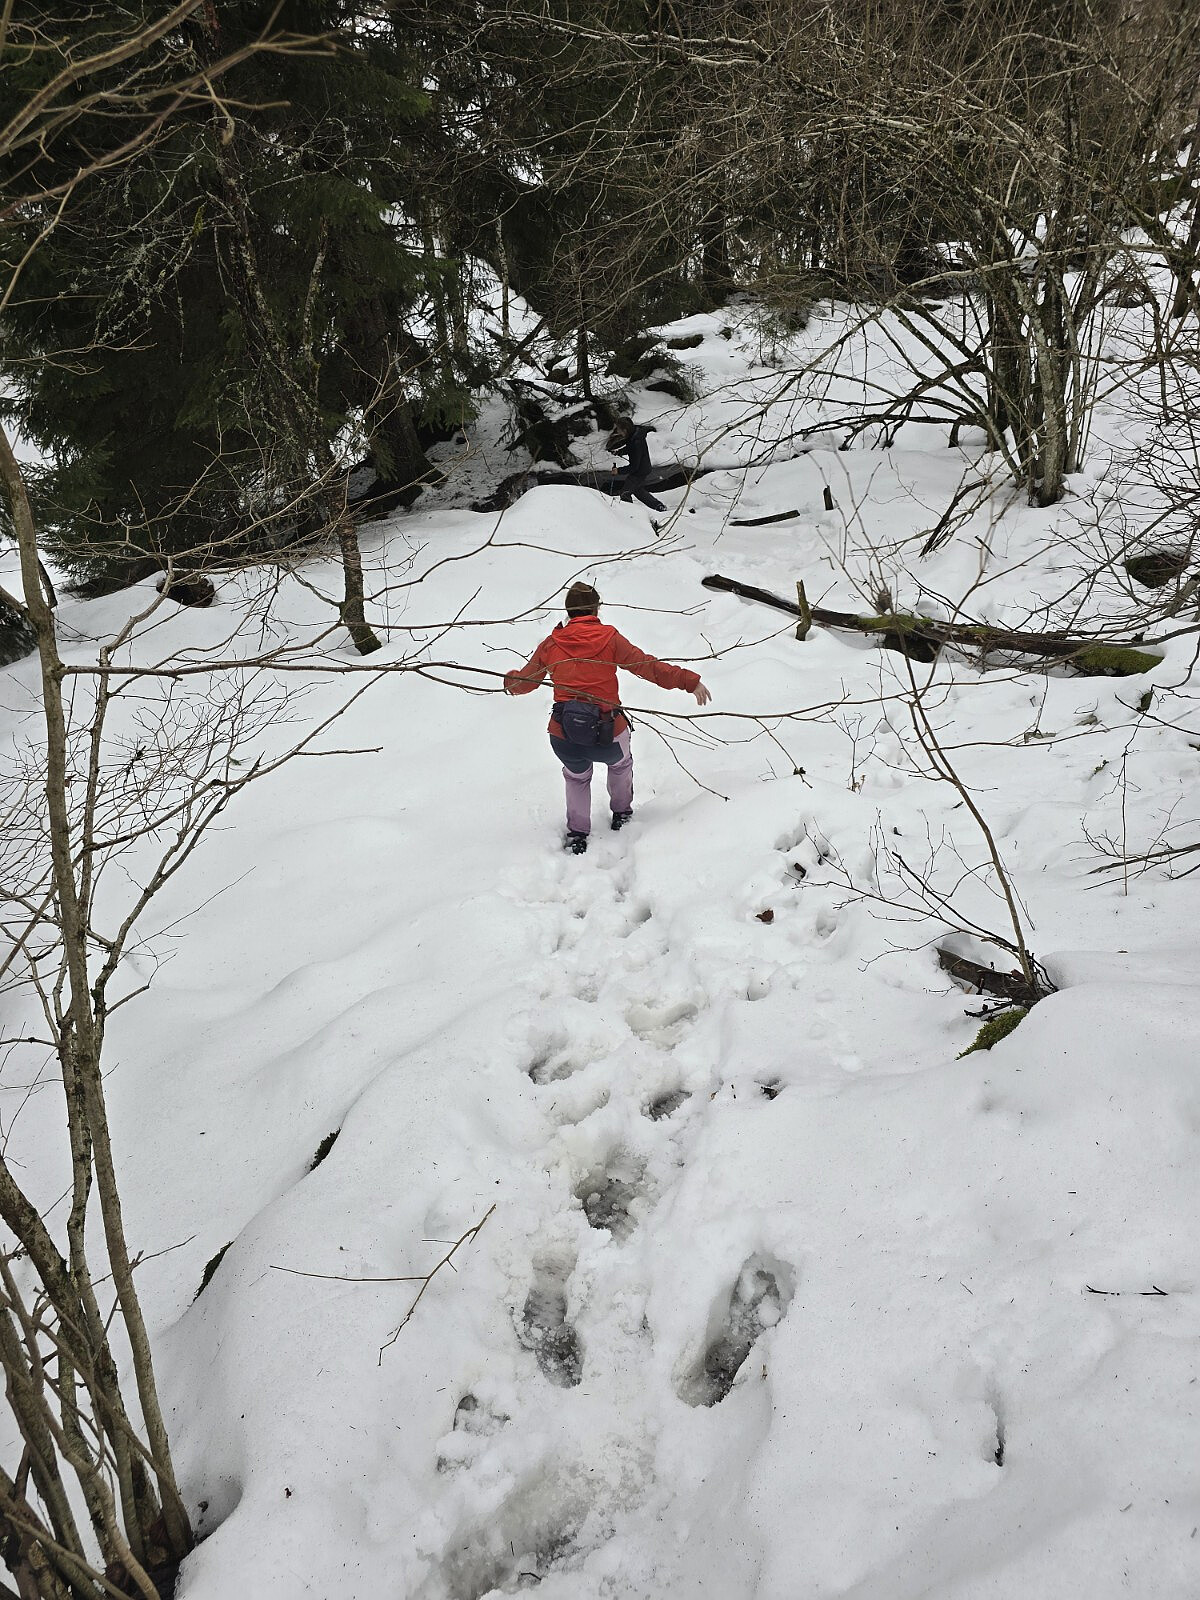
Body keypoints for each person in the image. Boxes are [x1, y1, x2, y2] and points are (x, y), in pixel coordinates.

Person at [504, 582, 712, 853]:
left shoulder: (551, 644)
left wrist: (508, 682)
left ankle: (577, 834)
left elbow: (525, 682)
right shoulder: (610, 638)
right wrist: (688, 681)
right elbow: (648, 667)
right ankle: (622, 814)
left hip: (565, 736)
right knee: (621, 765)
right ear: (596, 609)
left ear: (568, 611)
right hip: (607, 735)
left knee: (577, 777)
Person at [607, 416, 666, 512]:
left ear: (625, 430)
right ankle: (658, 506)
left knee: (625, 493)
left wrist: (618, 471)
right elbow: (630, 449)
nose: (617, 431)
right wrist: (620, 452)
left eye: (619, 429)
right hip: (643, 468)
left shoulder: (636, 442)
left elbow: (634, 466)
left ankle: (630, 513)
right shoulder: (635, 435)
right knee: (638, 490)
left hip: (640, 471)